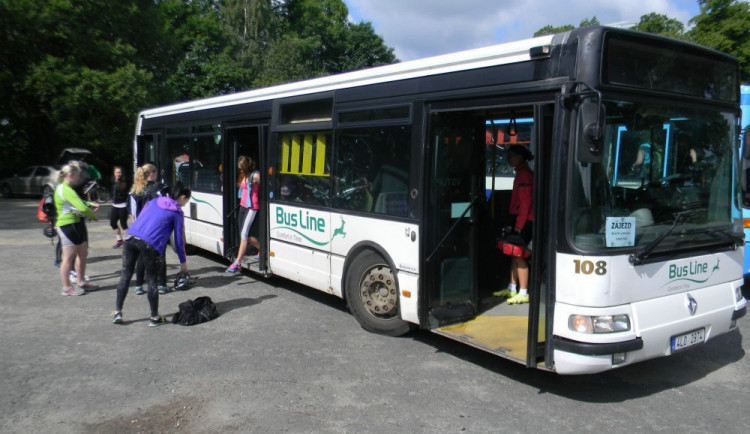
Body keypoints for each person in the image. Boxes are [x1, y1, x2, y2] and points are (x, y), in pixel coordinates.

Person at [112, 183, 191, 326]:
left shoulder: (153, 201)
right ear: (182, 197)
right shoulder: (177, 212)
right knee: (152, 279)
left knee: (126, 275)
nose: (185, 204)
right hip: (150, 243)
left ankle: (117, 312)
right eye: (186, 201)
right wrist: (183, 262)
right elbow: (179, 240)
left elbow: (140, 217)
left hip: (131, 236)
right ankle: (154, 317)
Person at [494, 145, 534, 305]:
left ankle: (523, 292)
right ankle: (512, 288)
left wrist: (519, 224)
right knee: (513, 254)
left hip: (523, 221)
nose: (508, 159)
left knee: (519, 256)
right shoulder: (522, 172)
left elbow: (525, 203)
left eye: (511, 156)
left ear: (520, 157)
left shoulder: (524, 175)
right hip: (521, 219)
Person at [54, 163, 99, 296]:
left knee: (83, 254)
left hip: (77, 224)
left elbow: (78, 202)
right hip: (67, 225)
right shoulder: (64, 189)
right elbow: (82, 208)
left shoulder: (69, 188)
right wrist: (93, 216)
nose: (80, 178)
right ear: (71, 175)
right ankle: (66, 288)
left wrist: (90, 203)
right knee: (68, 258)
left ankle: (81, 282)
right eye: (78, 175)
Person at [128, 164, 169, 294]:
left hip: (140, 227)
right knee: (160, 254)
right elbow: (165, 205)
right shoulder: (159, 188)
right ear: (151, 173)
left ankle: (139, 285)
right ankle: (161, 284)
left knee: (142, 256)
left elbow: (132, 213)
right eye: (155, 172)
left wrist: (136, 226)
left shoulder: (135, 191)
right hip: (156, 226)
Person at [226, 156, 260, 273]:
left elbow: (268, 184)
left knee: (244, 234)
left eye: (242, 168)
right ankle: (262, 250)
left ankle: (237, 263)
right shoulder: (244, 175)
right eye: (239, 168)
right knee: (244, 234)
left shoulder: (255, 176)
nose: (240, 170)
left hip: (252, 207)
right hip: (243, 206)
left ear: (246, 166)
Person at [110, 166, 130, 248]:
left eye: (120, 172)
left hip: (123, 205)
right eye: (117, 172)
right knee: (113, 223)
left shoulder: (124, 183)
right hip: (115, 205)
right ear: (114, 173)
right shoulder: (113, 181)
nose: (118, 174)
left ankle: (129, 241)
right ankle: (119, 240)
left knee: (123, 224)